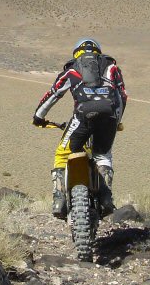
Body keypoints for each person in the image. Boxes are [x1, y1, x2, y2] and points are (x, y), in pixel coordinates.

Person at [32, 38, 127, 219]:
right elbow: (122, 96)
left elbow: (54, 93)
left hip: (83, 116)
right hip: (109, 117)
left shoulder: (73, 68)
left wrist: (38, 116)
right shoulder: (111, 67)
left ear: (77, 52)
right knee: (103, 155)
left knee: (62, 153)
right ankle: (106, 197)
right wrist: (117, 120)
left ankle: (59, 200)